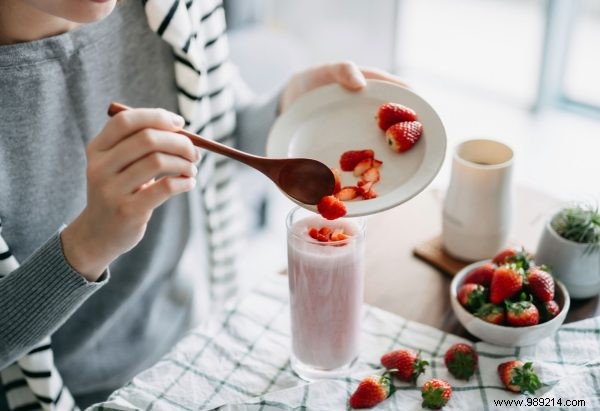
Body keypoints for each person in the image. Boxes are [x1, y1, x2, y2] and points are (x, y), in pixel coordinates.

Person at [0, 0, 406, 408]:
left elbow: (212, 126)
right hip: (67, 393)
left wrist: (284, 111)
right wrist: (89, 243)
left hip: (194, 336)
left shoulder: (173, 7)